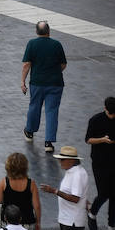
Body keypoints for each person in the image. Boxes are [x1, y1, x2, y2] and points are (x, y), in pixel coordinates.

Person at [22, 20, 67, 153]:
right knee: (52, 111)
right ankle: (48, 142)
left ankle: (29, 132)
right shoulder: (57, 45)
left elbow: (26, 65)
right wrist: (54, 72)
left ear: (37, 32)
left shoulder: (32, 44)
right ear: (49, 31)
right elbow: (63, 64)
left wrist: (22, 82)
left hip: (37, 83)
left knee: (34, 107)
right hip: (55, 84)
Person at [38, 146, 89, 230]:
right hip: (68, 220)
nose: (59, 162)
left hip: (72, 222)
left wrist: (54, 191)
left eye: (62, 159)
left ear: (71, 160)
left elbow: (75, 198)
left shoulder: (77, 174)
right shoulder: (72, 171)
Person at [0, 151, 40, 230]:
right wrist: (38, 223)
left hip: (8, 223)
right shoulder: (31, 184)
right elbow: (37, 206)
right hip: (27, 222)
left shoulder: (4, 182)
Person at [86, 97, 115, 229]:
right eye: (111, 113)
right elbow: (88, 140)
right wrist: (102, 140)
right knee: (104, 193)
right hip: (100, 163)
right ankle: (92, 212)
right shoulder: (95, 120)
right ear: (105, 109)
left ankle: (111, 224)